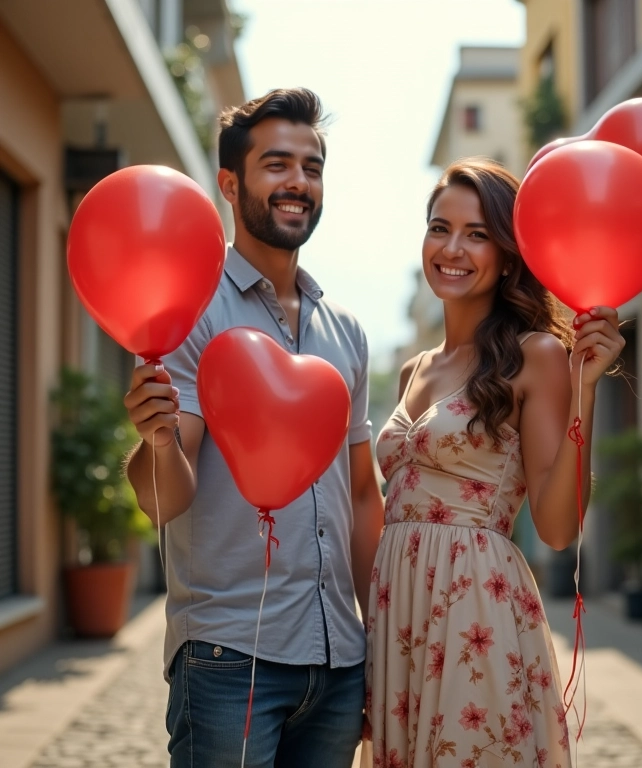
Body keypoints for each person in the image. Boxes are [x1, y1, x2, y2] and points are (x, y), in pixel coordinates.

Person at [123, 88, 384, 768]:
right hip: (227, 658)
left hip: (337, 661)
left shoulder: (344, 331)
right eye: (277, 164)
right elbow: (162, 498)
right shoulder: (188, 314)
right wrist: (153, 437)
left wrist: (377, 638)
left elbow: (361, 496)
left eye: (312, 166)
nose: (299, 181)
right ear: (230, 183)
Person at [363, 158, 625, 767]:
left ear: (508, 254)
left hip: (473, 608)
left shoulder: (535, 356)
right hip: (398, 614)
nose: (452, 248)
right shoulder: (413, 370)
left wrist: (584, 389)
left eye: (477, 233)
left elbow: (557, 529)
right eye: (439, 227)